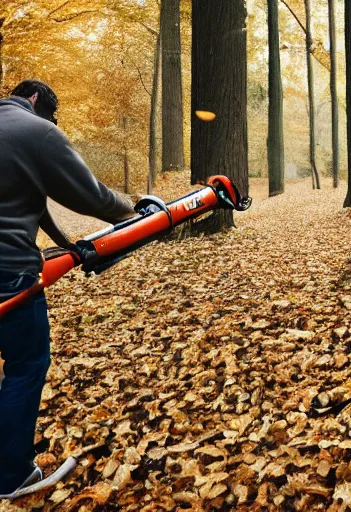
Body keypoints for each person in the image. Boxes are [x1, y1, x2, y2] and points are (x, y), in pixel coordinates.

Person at [0, 80, 135, 498]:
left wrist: (65, 246)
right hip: (9, 274)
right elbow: (91, 196)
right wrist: (135, 205)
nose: (53, 124)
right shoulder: (36, 131)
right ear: (37, 100)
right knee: (25, 365)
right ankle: (10, 476)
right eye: (52, 116)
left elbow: (32, 203)